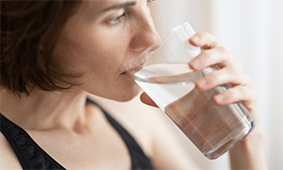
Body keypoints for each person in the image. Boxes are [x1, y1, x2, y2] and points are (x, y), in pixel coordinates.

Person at [0, 0, 268, 170]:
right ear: (38, 31)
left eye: (147, 2)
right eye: (117, 16)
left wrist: (247, 138)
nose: (152, 38)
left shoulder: (132, 115)